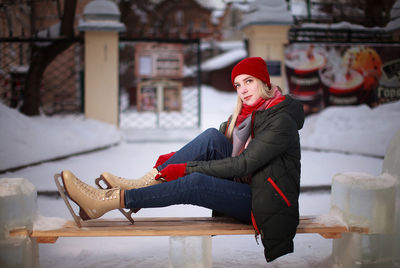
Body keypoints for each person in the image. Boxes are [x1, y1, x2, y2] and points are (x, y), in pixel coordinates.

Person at [59, 57, 305, 262]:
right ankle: (145, 181)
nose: (243, 90)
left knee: (196, 181)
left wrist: (186, 168)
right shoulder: (246, 116)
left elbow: (244, 164)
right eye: (238, 85)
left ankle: (109, 201)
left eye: (248, 81)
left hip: (266, 203)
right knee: (211, 137)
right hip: (249, 186)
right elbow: (213, 144)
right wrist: (171, 162)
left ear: (264, 81)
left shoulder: (280, 120)